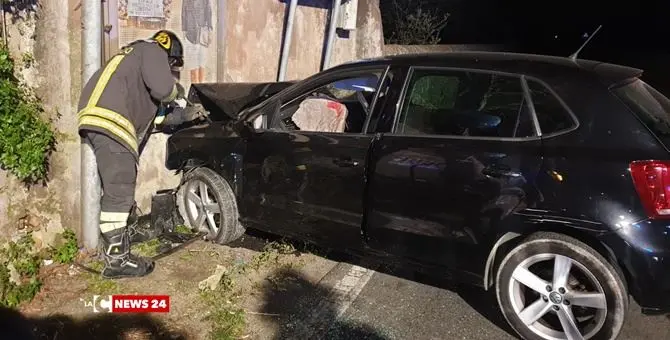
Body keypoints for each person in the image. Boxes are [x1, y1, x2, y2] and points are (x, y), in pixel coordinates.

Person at [77, 30, 204, 279]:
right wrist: (178, 94)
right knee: (120, 188)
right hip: (111, 119)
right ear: (168, 56)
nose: (172, 72)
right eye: (172, 67)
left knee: (118, 186)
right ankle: (117, 261)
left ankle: (125, 234)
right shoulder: (151, 49)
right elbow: (163, 88)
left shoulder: (131, 64)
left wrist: (184, 117)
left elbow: (159, 120)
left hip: (101, 117)